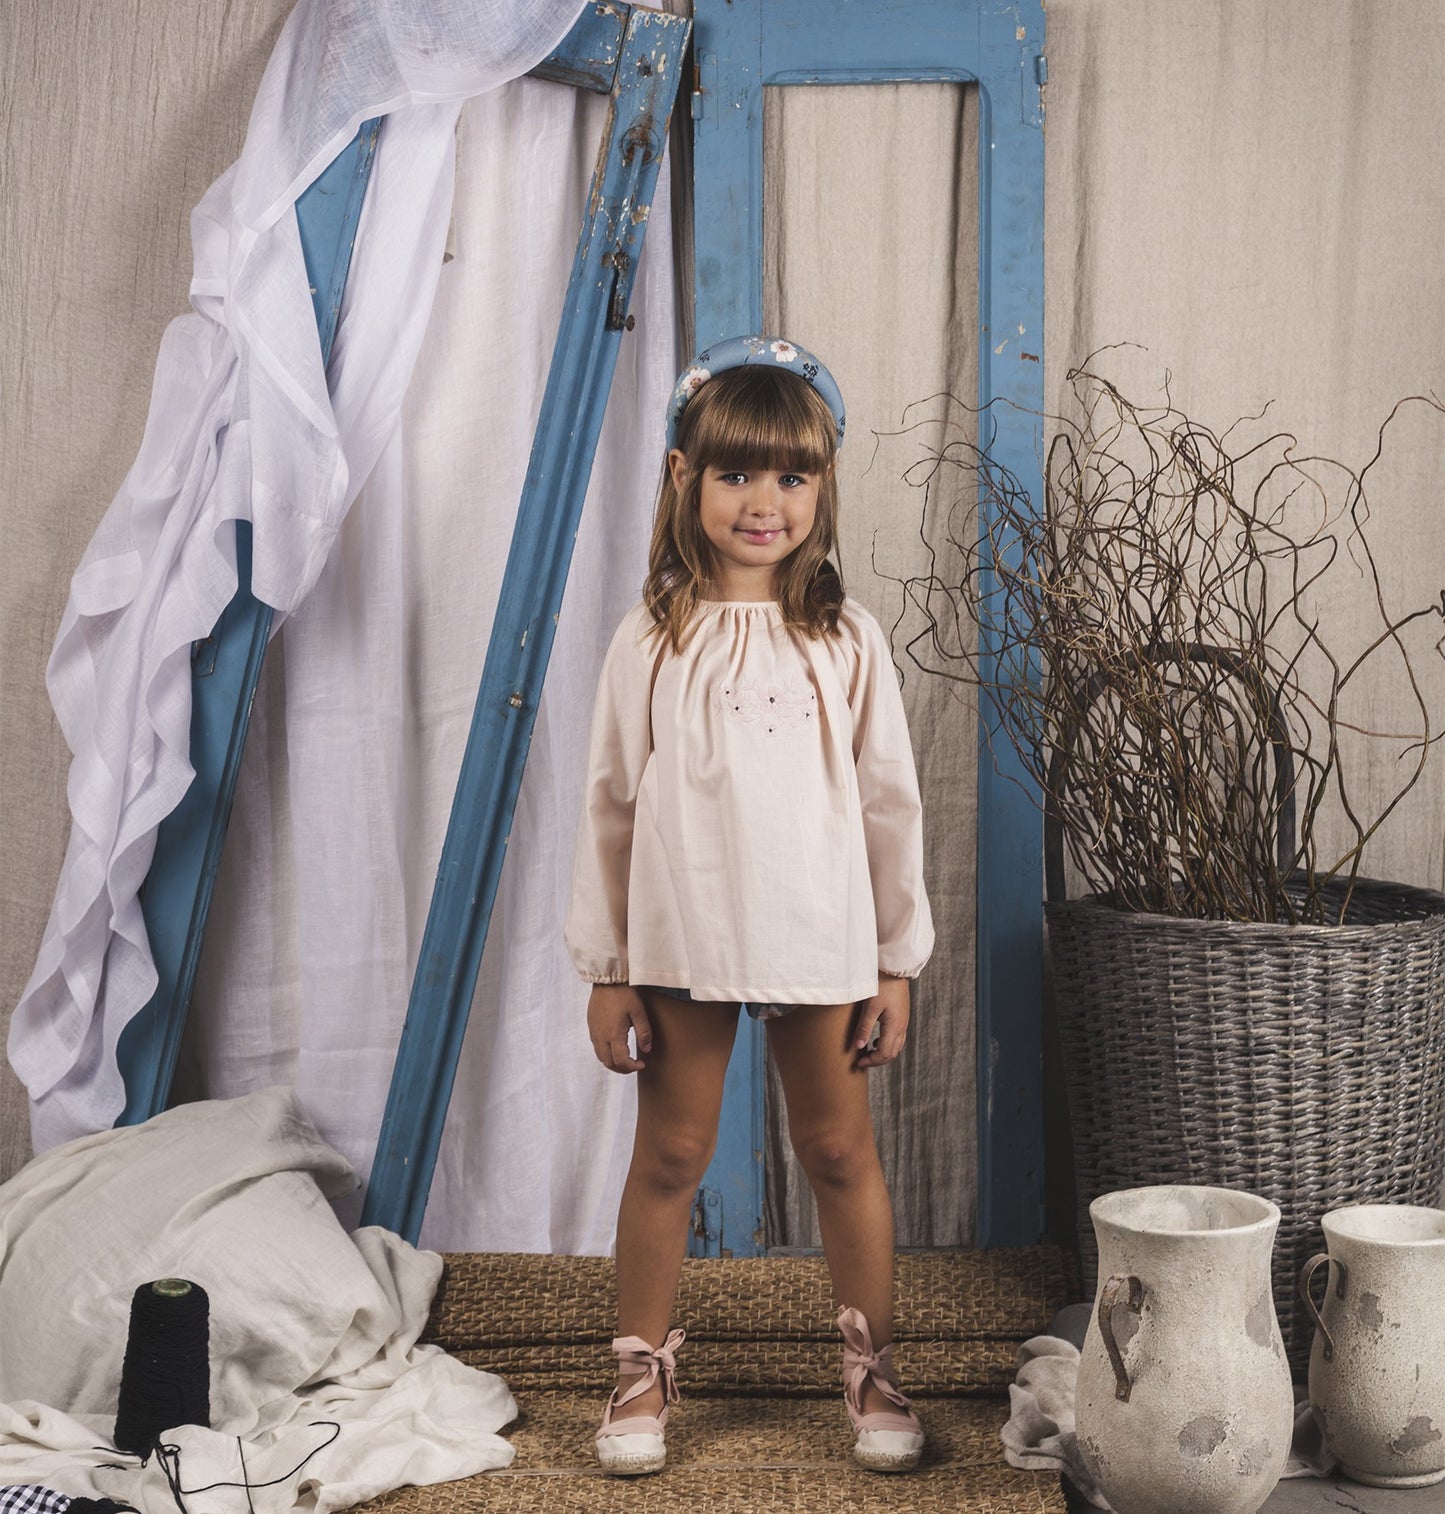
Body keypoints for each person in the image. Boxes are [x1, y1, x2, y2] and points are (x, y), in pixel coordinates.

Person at [565, 335, 934, 1477]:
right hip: (682, 936)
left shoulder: (844, 636)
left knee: (834, 1146)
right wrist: (607, 962)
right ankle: (638, 1369)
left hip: (820, 936)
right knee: (669, 1150)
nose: (760, 500)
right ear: (683, 477)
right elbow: (610, 804)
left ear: (820, 487)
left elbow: (888, 805)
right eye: (732, 473)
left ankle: (870, 1369)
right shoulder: (651, 637)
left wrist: (893, 959)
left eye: (788, 476)